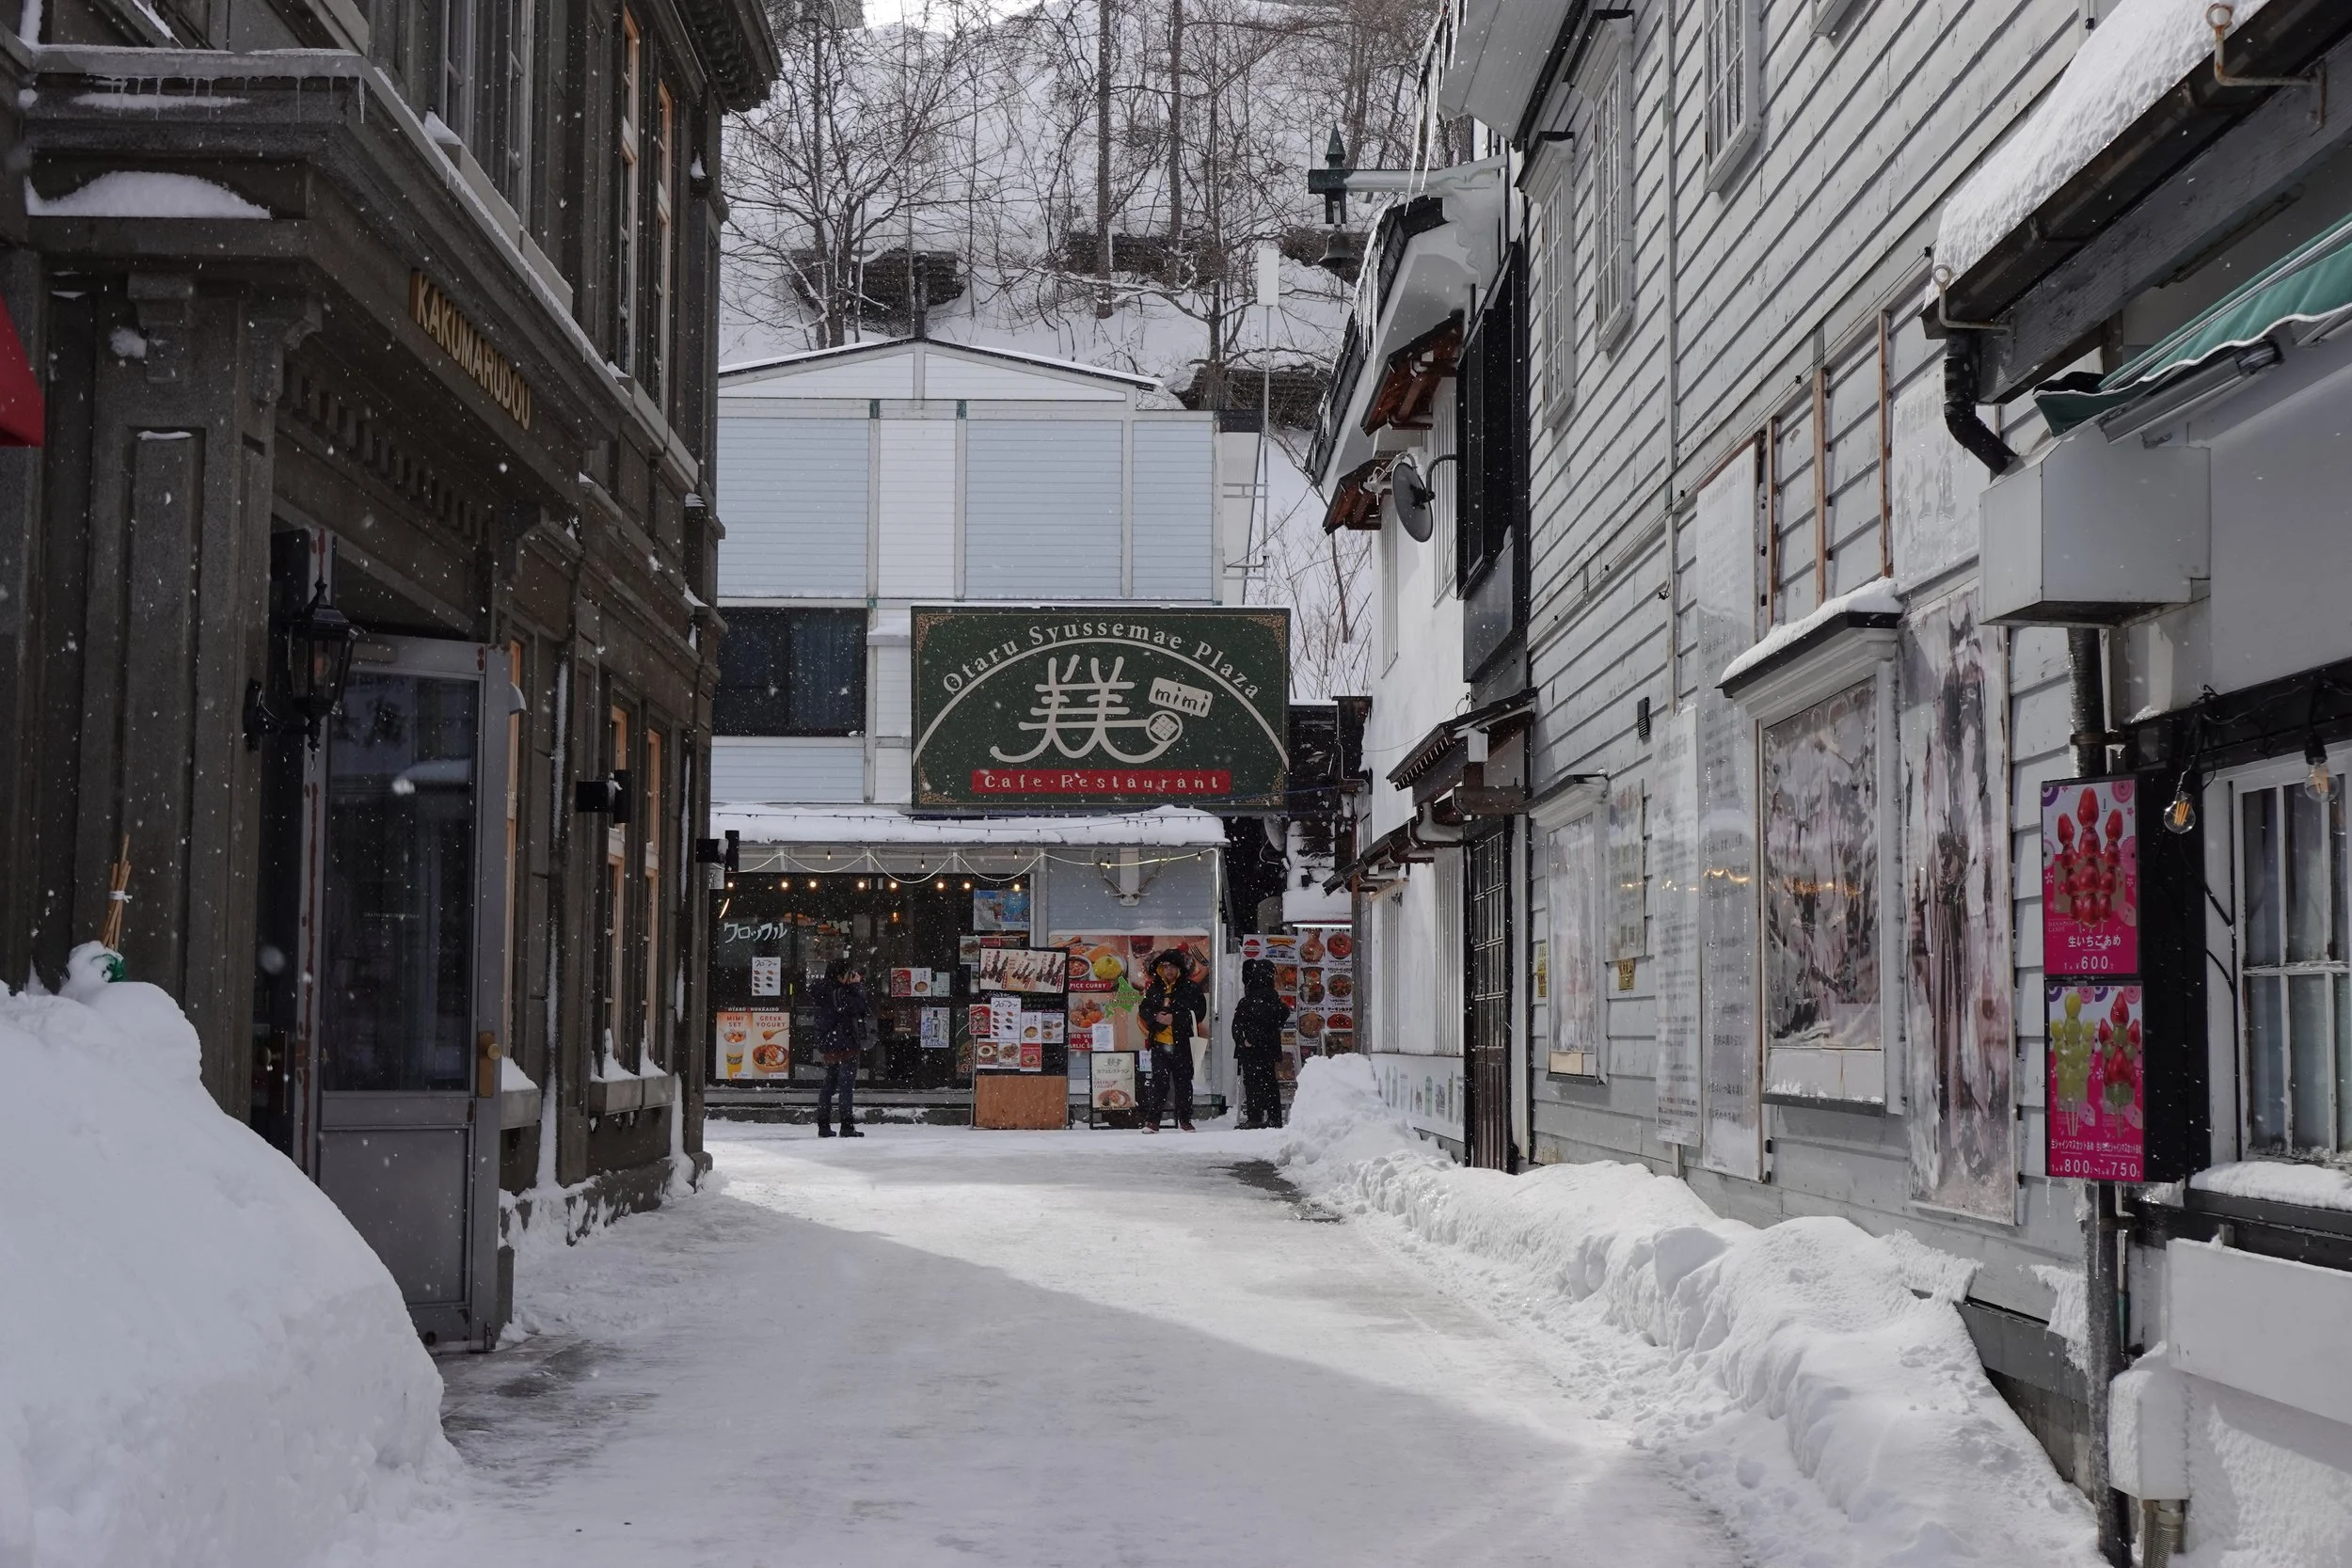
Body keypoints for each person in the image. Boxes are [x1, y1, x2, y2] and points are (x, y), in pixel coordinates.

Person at [1137, 948, 1206, 1132]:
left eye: (1172, 967)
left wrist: (1174, 1018)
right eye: (1165, 967)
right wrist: (1155, 1016)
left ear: (1179, 969)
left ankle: (1185, 1120)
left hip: (1183, 1043)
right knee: (1159, 1082)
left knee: (1184, 1083)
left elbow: (1199, 1013)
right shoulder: (1154, 988)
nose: (1169, 970)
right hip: (1160, 1043)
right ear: (1160, 969)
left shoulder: (1191, 988)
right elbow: (1143, 1009)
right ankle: (1153, 1121)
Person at [809, 958, 867, 1138]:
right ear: (839, 975)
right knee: (846, 1085)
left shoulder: (821, 990)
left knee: (829, 1084)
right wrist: (856, 986)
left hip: (828, 1042)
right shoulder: (842, 992)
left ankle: (824, 1125)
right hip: (846, 1042)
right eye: (847, 974)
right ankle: (847, 1126)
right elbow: (859, 1007)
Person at [1230, 958, 1289, 1130]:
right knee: (1269, 1082)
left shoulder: (1249, 1001)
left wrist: (1245, 1040)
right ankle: (1273, 1117)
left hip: (1251, 1050)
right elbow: (1277, 1019)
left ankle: (1255, 1117)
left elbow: (1238, 1025)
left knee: (1253, 1083)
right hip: (1267, 1048)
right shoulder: (1273, 1000)